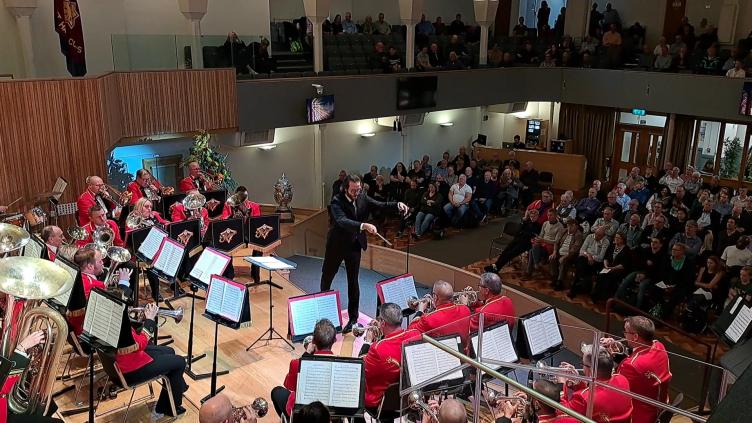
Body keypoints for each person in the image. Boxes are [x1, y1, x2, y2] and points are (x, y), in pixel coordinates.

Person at [321, 175, 407, 332]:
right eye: (353, 190)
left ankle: (353, 319)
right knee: (327, 278)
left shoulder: (362, 197)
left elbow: (380, 205)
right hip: (337, 245)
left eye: (358, 190)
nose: (356, 193)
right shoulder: (336, 201)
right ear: (346, 188)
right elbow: (342, 221)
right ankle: (323, 315)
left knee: (353, 281)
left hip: (354, 244)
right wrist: (363, 225)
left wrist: (397, 205)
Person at [117, 303, 188, 418]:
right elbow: (139, 344)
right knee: (180, 362)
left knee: (169, 351)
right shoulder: (119, 326)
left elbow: (132, 337)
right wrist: (149, 320)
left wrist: (140, 320)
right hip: (130, 370)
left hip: (124, 360)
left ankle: (176, 389)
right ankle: (170, 407)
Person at [601, 316, 671, 423]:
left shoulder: (631, 365)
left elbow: (612, 387)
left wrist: (608, 358)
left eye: (625, 332)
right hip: (661, 407)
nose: (624, 335)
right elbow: (638, 358)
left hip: (640, 417)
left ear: (635, 336)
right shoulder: (659, 346)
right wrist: (620, 348)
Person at [360, 303, 421, 414]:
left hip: (382, 406)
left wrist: (368, 342)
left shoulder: (377, 349)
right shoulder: (415, 334)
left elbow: (360, 368)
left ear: (383, 323)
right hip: (409, 399)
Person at [271, 319, 336, 418]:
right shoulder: (341, 366)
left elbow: (288, 385)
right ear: (334, 341)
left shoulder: (297, 363)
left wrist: (306, 353)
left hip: (302, 416)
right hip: (330, 416)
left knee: (276, 391)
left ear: (313, 341)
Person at [67, 248, 132, 337]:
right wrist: (123, 283)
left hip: (73, 325)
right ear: (90, 266)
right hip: (90, 331)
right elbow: (117, 308)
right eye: (100, 261)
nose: (103, 263)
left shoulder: (77, 276)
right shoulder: (95, 285)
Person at [559, 345, 633, 423]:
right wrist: (578, 381)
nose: (583, 368)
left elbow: (562, 414)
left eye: (583, 364)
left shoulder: (584, 398)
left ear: (591, 370)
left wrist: (565, 383)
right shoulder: (622, 378)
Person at [408, 280, 471, 347]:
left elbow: (411, 331)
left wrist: (420, 311)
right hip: (462, 352)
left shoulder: (429, 319)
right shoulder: (465, 309)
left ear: (435, 297)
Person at [485, 209, 542, 274]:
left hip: (525, 244)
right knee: (505, 252)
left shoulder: (538, 226)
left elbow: (531, 235)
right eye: (531, 216)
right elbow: (519, 231)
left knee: (509, 254)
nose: (532, 218)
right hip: (517, 239)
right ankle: (495, 266)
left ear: (537, 216)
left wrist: (524, 233)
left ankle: (496, 268)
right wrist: (524, 223)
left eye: (534, 216)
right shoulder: (527, 222)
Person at [616, 237, 666, 310]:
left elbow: (659, 272)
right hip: (641, 272)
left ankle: (637, 309)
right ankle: (617, 301)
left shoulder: (662, 256)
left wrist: (645, 275)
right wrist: (640, 273)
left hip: (652, 276)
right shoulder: (646, 250)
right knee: (627, 279)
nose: (653, 243)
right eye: (652, 241)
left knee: (642, 286)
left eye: (655, 242)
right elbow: (639, 263)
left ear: (660, 245)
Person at [569, 227, 610, 298]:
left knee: (581, 266)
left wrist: (591, 257)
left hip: (596, 262)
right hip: (585, 258)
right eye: (596, 234)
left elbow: (601, 257)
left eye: (599, 235)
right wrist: (588, 255)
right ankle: (579, 284)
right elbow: (582, 250)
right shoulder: (589, 237)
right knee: (581, 260)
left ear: (604, 235)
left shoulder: (606, 242)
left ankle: (577, 285)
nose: (596, 236)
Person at [550, 218, 584, 290]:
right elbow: (556, 242)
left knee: (564, 261)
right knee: (552, 258)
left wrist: (565, 256)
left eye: (572, 226)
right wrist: (554, 252)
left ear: (576, 226)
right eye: (568, 226)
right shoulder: (564, 231)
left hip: (570, 255)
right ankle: (554, 278)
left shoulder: (578, 235)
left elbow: (575, 249)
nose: (569, 227)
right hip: (560, 252)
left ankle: (560, 282)